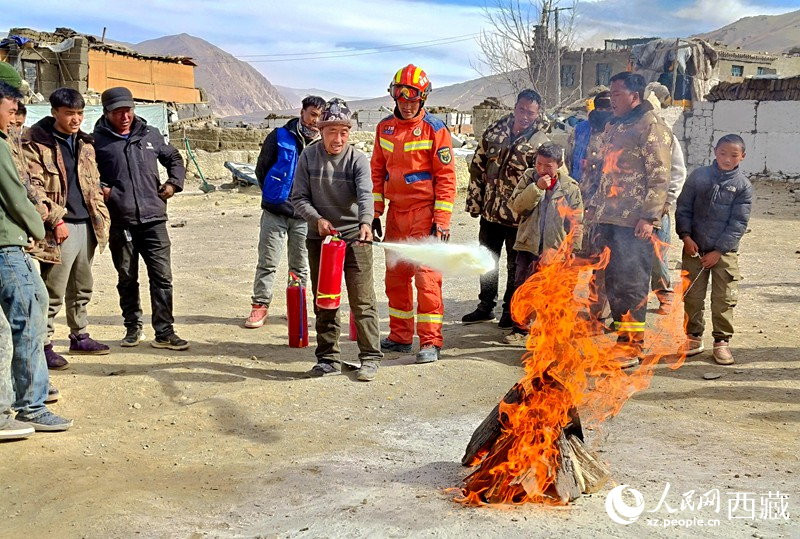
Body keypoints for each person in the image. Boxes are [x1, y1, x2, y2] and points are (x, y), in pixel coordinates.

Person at [291, 98, 382, 381]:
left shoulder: (357, 159)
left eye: (344, 131)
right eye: (332, 131)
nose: (338, 138)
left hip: (356, 238)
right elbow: (298, 197)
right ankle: (328, 357)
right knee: (325, 300)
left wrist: (366, 223)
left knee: (363, 300)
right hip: (321, 240)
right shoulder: (308, 156)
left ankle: (370, 357)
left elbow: (367, 195)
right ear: (320, 130)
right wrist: (317, 220)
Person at [370, 64, 456, 364]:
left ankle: (431, 342)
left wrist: (441, 220)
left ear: (423, 98)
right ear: (394, 95)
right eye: (400, 95)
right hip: (396, 215)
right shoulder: (384, 128)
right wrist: (375, 212)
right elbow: (377, 172)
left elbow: (446, 177)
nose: (406, 102)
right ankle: (400, 336)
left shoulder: (435, 129)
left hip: (424, 215)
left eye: (412, 97)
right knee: (395, 278)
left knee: (427, 279)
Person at [92, 87, 189, 350]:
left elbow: (174, 158)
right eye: (118, 112)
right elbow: (86, 173)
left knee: (162, 277)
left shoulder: (150, 134)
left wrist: (172, 184)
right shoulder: (95, 142)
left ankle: (165, 332)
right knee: (126, 277)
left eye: (128, 110)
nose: (124, 116)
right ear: (106, 112)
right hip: (120, 221)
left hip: (154, 218)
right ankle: (132, 328)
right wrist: (105, 190)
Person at [0, 81, 72, 431]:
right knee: (26, 319)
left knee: (35, 305)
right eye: (11, 111)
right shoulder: (2, 147)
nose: (15, 119)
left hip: (13, 241)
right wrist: (41, 224)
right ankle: (30, 405)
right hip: (8, 244)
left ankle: (27, 392)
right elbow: (16, 195)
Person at [588, 72, 673, 368]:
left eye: (617, 94)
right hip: (609, 219)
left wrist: (649, 217)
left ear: (634, 96)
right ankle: (622, 340)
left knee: (633, 283)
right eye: (611, 94)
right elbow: (604, 174)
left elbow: (660, 176)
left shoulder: (651, 126)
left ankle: (634, 346)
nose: (611, 99)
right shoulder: (615, 125)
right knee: (613, 283)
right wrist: (594, 210)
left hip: (635, 222)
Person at [23, 88, 111, 370]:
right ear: (55, 112)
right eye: (69, 113)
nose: (75, 119)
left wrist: (101, 216)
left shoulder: (85, 143)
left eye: (80, 113)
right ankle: (44, 344)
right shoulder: (36, 143)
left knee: (82, 286)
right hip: (60, 227)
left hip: (86, 223)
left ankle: (79, 335)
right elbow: (31, 188)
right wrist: (55, 220)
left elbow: (92, 182)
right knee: (53, 290)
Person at [464, 89, 549, 329]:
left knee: (516, 267)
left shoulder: (541, 142)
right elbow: (477, 168)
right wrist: (474, 201)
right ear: (515, 107)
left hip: (518, 218)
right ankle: (485, 306)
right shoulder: (494, 132)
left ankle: (509, 311)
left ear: (537, 113)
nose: (524, 116)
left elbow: (542, 182)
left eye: (530, 112)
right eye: (521, 110)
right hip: (490, 212)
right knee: (486, 261)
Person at [245, 95, 324, 329]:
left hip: (304, 217)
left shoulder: (322, 145)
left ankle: (296, 307)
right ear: (302, 112)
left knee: (299, 265)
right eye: (312, 115)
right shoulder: (279, 136)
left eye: (319, 117)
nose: (315, 121)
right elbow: (262, 169)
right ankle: (260, 306)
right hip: (275, 212)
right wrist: (274, 194)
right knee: (267, 262)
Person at [676, 134, 752, 365]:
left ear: (742, 157)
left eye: (733, 155)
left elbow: (738, 224)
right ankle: (693, 337)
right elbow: (683, 208)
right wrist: (686, 237)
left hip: (724, 253)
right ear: (714, 151)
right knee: (692, 295)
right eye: (722, 153)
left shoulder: (743, 187)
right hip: (694, 248)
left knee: (724, 298)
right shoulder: (699, 177)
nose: (727, 159)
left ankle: (721, 341)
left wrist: (719, 251)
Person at [506, 142, 583, 344]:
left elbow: (577, 222)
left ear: (558, 165)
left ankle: (551, 333)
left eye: (548, 165)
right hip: (527, 246)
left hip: (555, 250)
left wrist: (573, 248)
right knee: (523, 288)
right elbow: (516, 206)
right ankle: (520, 330)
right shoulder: (529, 178)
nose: (542, 169)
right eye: (539, 164)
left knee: (554, 292)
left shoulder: (569, 187)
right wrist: (536, 189)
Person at [644, 89, 687, 315]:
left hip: (659, 208)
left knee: (658, 255)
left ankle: (664, 295)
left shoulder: (666, 135)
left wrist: (667, 200)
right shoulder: (630, 133)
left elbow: (678, 172)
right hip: (632, 210)